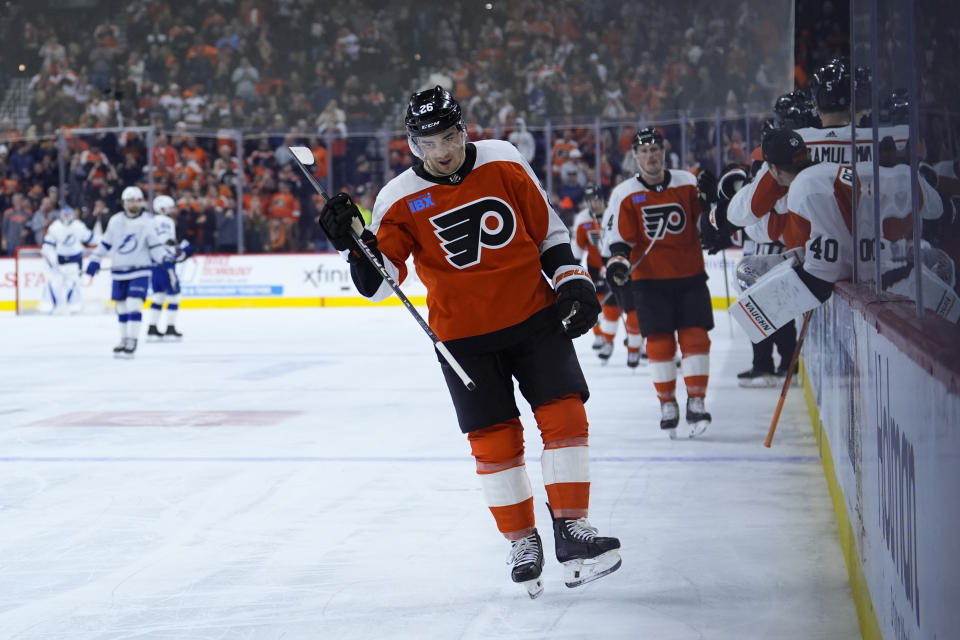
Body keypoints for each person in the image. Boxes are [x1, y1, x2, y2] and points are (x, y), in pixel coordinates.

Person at [317, 85, 620, 599]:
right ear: (413, 144)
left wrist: (572, 280)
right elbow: (380, 281)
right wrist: (354, 245)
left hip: (533, 317)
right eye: (430, 141)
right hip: (463, 341)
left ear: (464, 130)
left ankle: (572, 528)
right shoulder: (397, 198)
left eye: (451, 136)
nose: (443, 150)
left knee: (566, 415)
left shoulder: (503, 160)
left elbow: (546, 229)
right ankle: (523, 540)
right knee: (494, 442)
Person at [602, 127, 714, 438]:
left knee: (696, 339)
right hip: (649, 282)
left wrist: (713, 202)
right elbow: (619, 240)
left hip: (689, 275)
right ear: (635, 156)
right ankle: (667, 403)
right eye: (645, 151)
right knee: (660, 344)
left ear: (664, 152)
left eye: (656, 149)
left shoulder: (688, 183)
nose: (651, 156)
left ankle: (697, 401)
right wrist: (619, 263)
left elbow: (708, 225)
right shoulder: (624, 194)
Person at [85, 186, 172, 357]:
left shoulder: (147, 222)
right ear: (124, 202)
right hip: (119, 271)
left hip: (140, 271)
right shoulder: (116, 221)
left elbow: (154, 245)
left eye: (137, 200)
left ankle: (133, 339)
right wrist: (95, 260)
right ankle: (123, 338)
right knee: (122, 308)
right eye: (131, 200)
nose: (134, 204)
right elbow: (105, 244)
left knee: (134, 304)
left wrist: (164, 259)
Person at [570, 184, 643, 364]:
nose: (594, 204)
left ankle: (636, 345)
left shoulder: (616, 212)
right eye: (590, 201)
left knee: (633, 308)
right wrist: (573, 269)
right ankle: (604, 339)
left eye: (596, 200)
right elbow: (577, 249)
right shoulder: (582, 220)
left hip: (621, 266)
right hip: (596, 269)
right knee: (605, 307)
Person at [146, 195, 192, 340]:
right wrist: (178, 249)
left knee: (159, 296)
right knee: (174, 296)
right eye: (170, 207)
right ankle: (170, 329)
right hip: (165, 263)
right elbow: (166, 240)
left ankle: (152, 328)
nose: (173, 210)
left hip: (154, 263)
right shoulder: (166, 221)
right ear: (163, 208)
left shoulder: (150, 220)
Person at [40, 205, 95, 313]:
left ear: (72, 215)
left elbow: (91, 238)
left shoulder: (79, 226)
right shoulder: (55, 227)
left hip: (76, 260)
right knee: (54, 283)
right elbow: (47, 245)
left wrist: (105, 243)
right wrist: (51, 258)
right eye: (64, 214)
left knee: (73, 283)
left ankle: (75, 305)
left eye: (68, 214)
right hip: (59, 261)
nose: (66, 217)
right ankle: (49, 305)